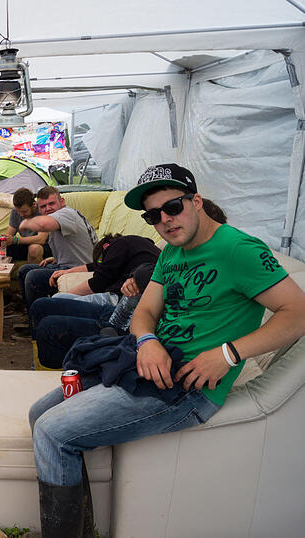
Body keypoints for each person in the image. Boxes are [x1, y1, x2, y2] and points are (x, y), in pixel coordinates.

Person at [27, 163, 305, 536]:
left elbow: (298, 312)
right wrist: (147, 340)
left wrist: (227, 354)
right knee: (39, 413)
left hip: (186, 388)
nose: (166, 220)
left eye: (173, 207)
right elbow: (145, 311)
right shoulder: (173, 252)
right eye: (154, 215)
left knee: (51, 431)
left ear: (196, 201)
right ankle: (84, 527)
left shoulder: (238, 250)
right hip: (146, 364)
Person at [17, 186, 98, 310]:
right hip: (67, 264)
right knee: (24, 270)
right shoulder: (60, 216)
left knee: (34, 277)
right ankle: (30, 313)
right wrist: (56, 258)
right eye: (43, 206)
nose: (48, 208)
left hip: (81, 269)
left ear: (62, 202)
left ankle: (41, 317)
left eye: (51, 203)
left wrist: (25, 223)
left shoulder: (66, 213)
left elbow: (43, 225)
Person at [5, 188, 51, 264]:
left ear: (33, 205)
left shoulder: (43, 211)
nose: (21, 215)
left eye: (24, 212)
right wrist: (4, 240)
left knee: (33, 248)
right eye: (18, 211)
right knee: (4, 249)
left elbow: (41, 239)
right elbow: (9, 235)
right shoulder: (15, 211)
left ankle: (33, 274)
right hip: (25, 244)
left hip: (45, 246)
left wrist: (15, 240)